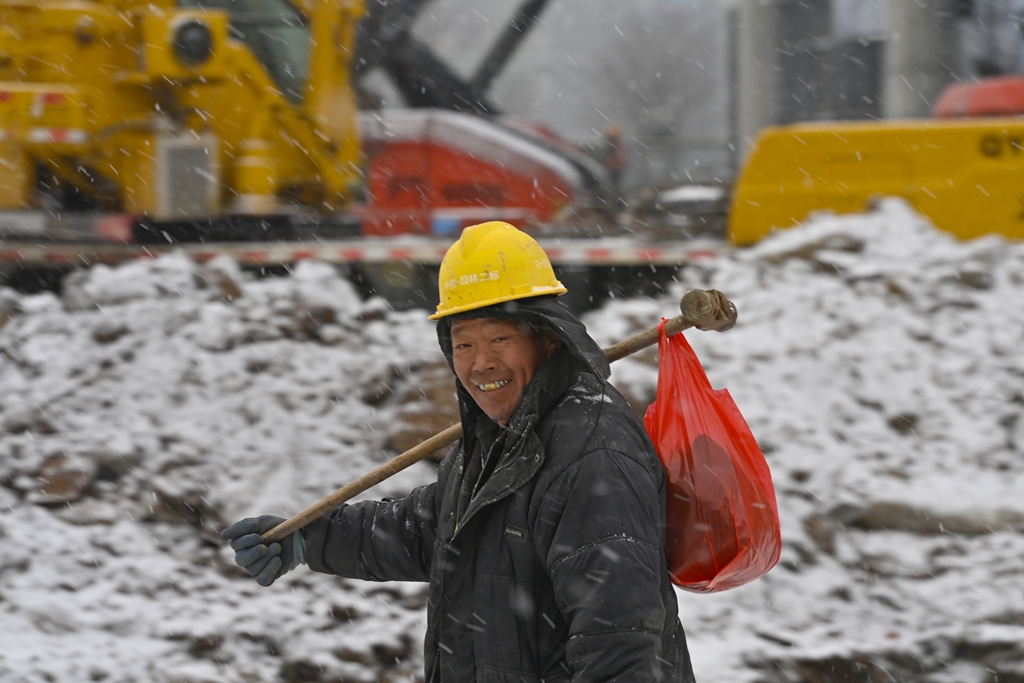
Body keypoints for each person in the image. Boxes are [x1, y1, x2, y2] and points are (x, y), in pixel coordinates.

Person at [222, 221, 696, 683]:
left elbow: (620, 642)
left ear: (548, 338)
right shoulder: (501, 439)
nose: (481, 362)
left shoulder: (592, 454)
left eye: (499, 338)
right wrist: (310, 539)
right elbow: (428, 531)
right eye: (463, 343)